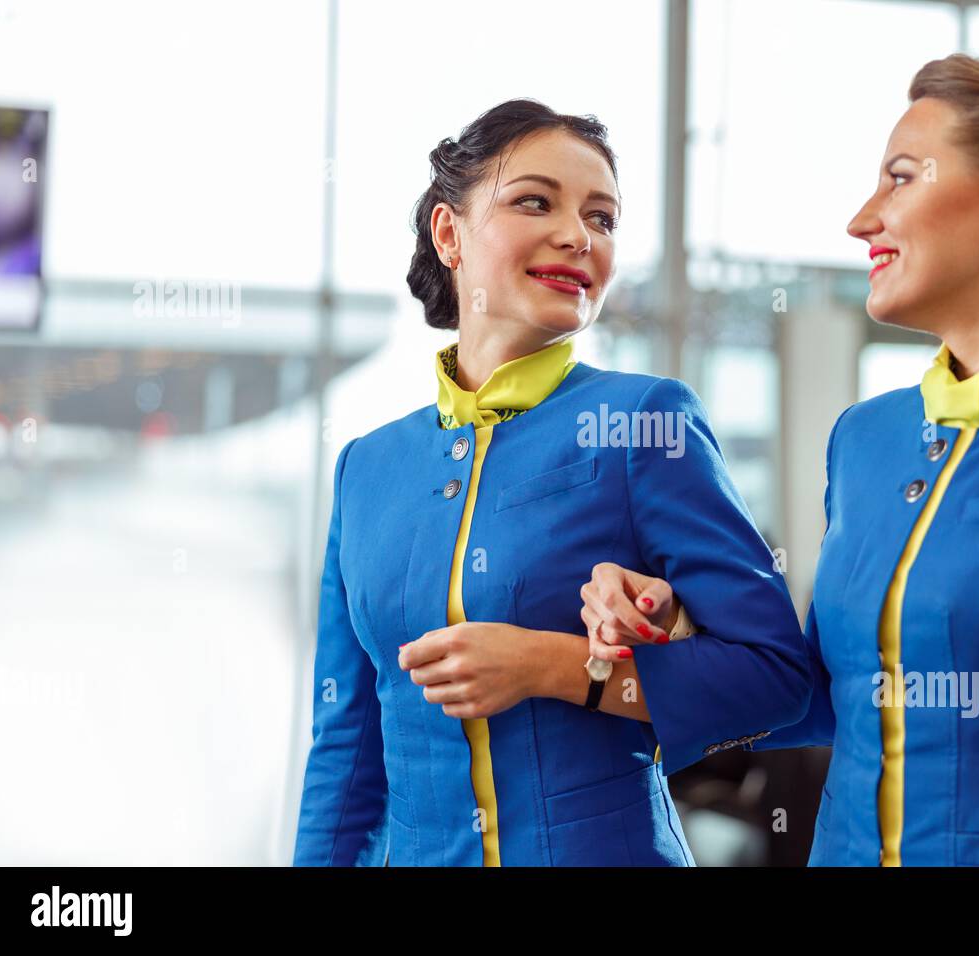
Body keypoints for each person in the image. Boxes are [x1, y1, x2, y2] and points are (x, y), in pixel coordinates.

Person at [581, 54, 979, 866]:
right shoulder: (868, 440)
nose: (862, 220)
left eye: (899, 179)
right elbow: (821, 699)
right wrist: (674, 628)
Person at [292, 99, 811, 867]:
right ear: (448, 233)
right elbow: (345, 752)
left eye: (602, 218)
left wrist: (552, 666)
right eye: (535, 201)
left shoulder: (645, 421)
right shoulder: (367, 468)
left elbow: (776, 680)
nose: (578, 235)